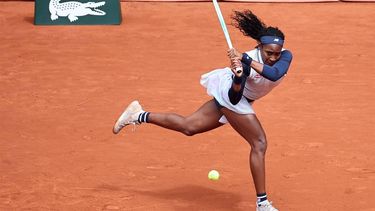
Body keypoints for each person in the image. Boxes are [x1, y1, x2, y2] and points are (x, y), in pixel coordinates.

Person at [113, 10, 292, 211]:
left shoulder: (283, 57)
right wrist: (239, 77)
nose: (274, 57)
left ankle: (138, 114)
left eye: (277, 53)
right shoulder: (245, 63)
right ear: (260, 46)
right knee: (259, 143)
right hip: (232, 94)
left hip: (242, 98)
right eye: (269, 53)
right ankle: (263, 204)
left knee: (189, 126)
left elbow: (274, 74)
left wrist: (244, 59)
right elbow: (233, 98)